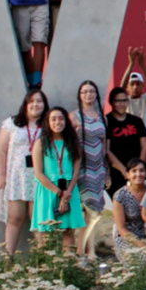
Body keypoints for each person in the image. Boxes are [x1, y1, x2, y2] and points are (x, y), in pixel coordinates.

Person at [0, 89, 48, 254]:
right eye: (31, 101)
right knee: (14, 219)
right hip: (16, 178)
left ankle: (44, 259)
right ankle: (8, 259)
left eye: (39, 101)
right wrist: (1, 174)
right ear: (25, 104)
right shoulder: (12, 123)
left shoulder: (48, 125)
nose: (35, 105)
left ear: (44, 105)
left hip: (39, 177)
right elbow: (1, 151)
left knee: (38, 220)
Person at [30, 107, 85, 252]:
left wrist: (66, 195)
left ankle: (68, 266)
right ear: (48, 122)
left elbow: (75, 173)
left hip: (69, 190)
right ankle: (45, 267)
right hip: (48, 190)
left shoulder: (74, 143)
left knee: (67, 230)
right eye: (53, 119)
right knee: (45, 232)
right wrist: (59, 193)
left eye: (61, 118)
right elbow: (38, 174)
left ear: (66, 121)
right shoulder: (41, 143)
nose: (57, 122)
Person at [71, 80, 109, 260]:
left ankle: (90, 249)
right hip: (82, 169)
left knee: (95, 212)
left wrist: (106, 170)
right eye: (84, 92)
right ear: (79, 95)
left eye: (91, 91)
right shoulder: (74, 117)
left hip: (98, 168)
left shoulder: (102, 116)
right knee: (84, 211)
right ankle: (82, 250)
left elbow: (105, 146)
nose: (88, 95)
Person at [105, 86, 146, 198]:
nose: (122, 104)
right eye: (118, 101)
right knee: (121, 206)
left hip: (137, 172)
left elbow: (145, 145)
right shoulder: (107, 121)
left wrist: (139, 168)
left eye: (124, 100)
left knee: (140, 205)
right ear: (111, 102)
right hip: (117, 173)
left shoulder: (136, 121)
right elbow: (107, 150)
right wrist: (124, 171)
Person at [111, 158, 146, 258]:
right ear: (128, 175)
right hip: (127, 236)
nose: (138, 174)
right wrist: (140, 244)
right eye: (134, 171)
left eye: (141, 170)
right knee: (142, 258)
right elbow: (121, 228)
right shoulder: (120, 196)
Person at [119, 46, 146, 119]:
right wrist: (131, 63)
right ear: (127, 88)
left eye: (138, 84)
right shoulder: (125, 100)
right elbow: (121, 89)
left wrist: (142, 64)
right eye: (132, 84)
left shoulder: (145, 99)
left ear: (143, 86)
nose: (135, 87)